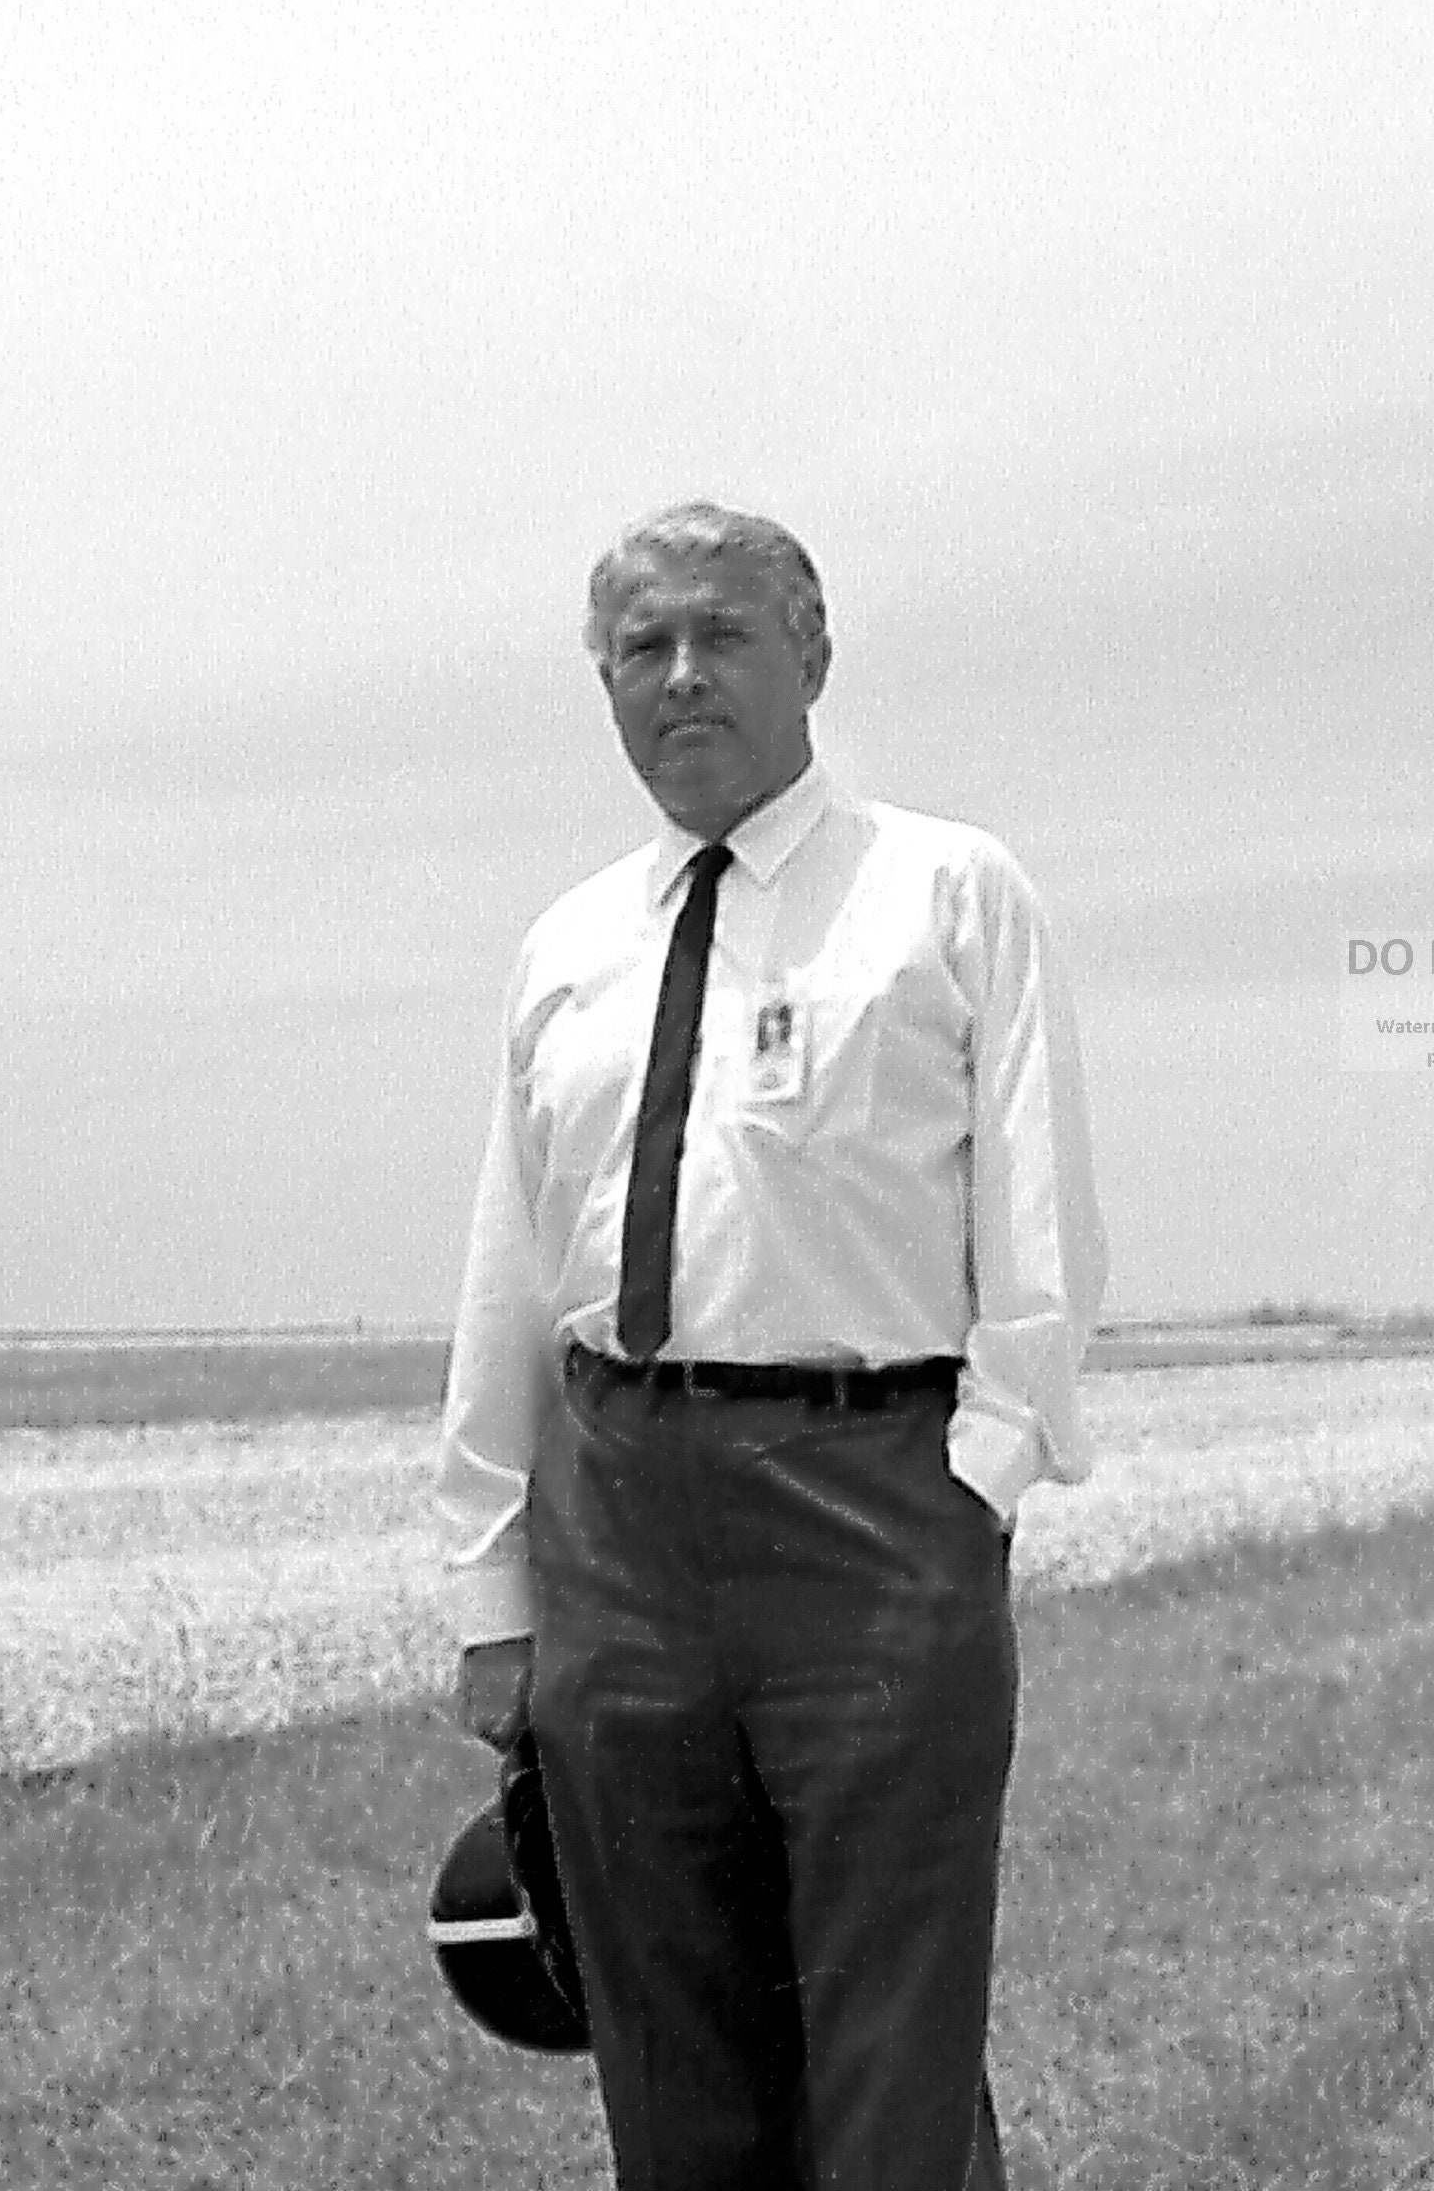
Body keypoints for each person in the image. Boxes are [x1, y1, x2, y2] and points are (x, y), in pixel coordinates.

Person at [435, 501, 1107, 2191]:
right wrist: (491, 1592)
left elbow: (1042, 1217)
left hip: (873, 1513)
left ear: (810, 656)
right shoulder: (566, 947)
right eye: (640, 652)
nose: (680, 680)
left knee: (889, 2038)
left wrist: (987, 1473)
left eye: (721, 637)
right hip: (619, 1534)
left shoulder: (946, 891)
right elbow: (513, 1277)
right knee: (667, 2043)